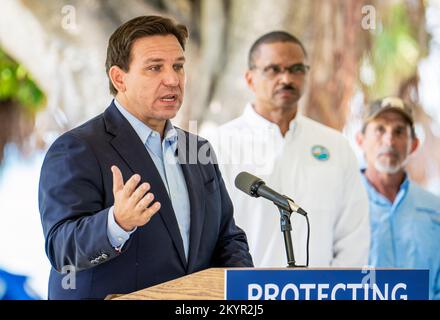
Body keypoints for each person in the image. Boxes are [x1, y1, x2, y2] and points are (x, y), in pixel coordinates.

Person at [38, 15, 253, 300]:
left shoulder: (197, 149)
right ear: (119, 78)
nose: (173, 79)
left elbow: (227, 238)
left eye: (178, 66)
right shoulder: (77, 148)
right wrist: (116, 223)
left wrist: (245, 290)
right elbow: (61, 251)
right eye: (155, 68)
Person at [209, 31, 370, 268]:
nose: (286, 78)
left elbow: (353, 236)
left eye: (296, 69)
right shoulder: (216, 144)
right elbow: (208, 235)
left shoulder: (335, 145)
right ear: (250, 78)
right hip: (244, 296)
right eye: (273, 69)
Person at [356, 96, 440, 300]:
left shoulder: (435, 209)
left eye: (399, 131)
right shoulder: (343, 204)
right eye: (380, 129)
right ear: (360, 140)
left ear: (414, 144)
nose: (389, 140)